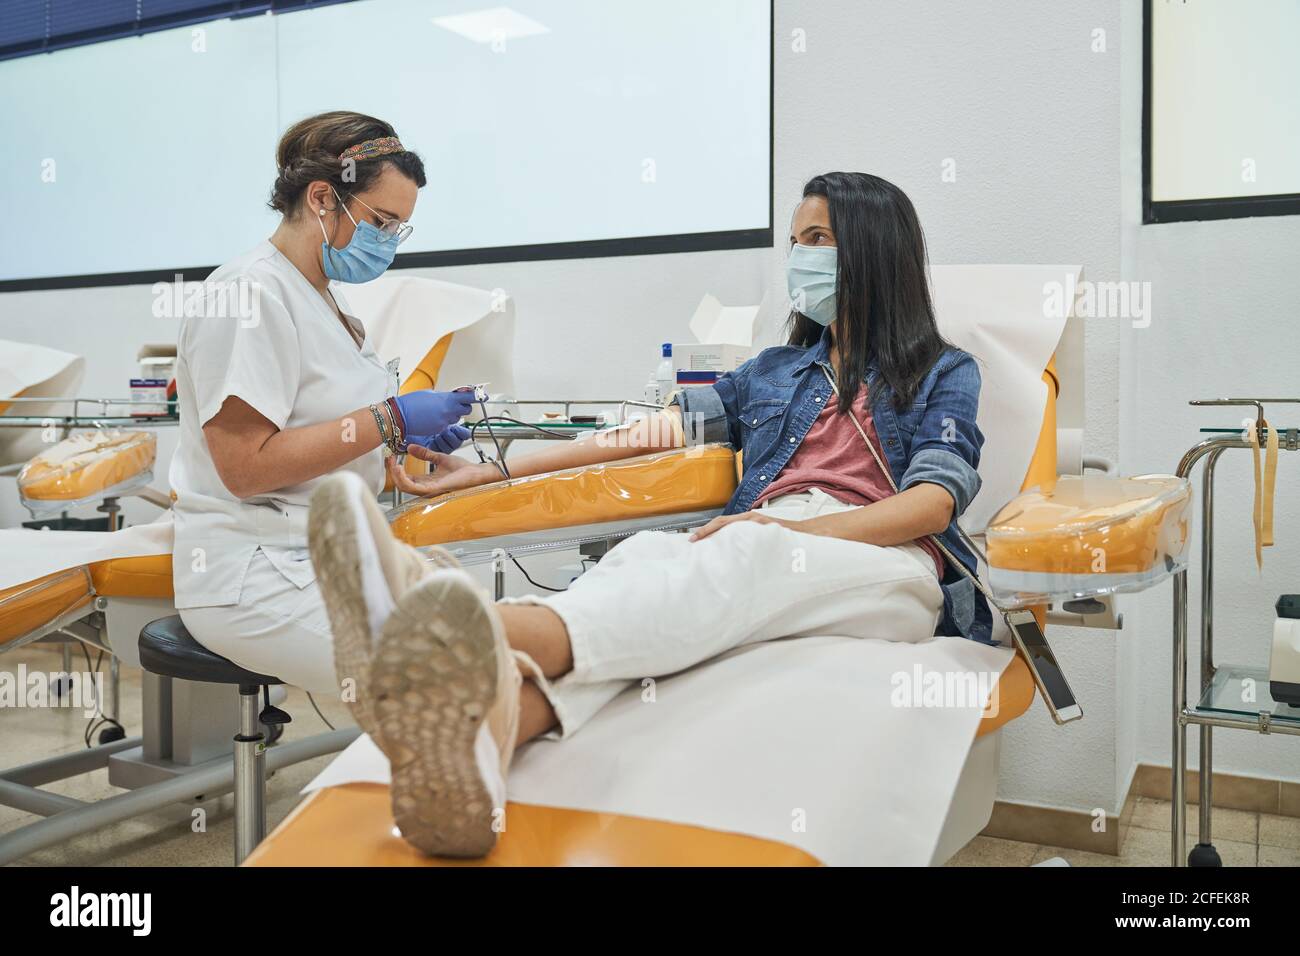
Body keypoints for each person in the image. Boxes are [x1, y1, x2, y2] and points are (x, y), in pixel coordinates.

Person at [308, 171, 988, 858]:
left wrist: (787, 531)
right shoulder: (774, 371)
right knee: (649, 560)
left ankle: (445, 627)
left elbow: (931, 505)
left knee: (744, 558)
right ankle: (482, 744)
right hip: (764, 539)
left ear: (873, 250)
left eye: (817, 240)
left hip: (884, 562)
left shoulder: (940, 370)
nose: (799, 258)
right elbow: (639, 435)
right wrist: (489, 470)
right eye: (794, 241)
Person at [171, 111, 475, 690]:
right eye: (381, 222)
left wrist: (404, 442)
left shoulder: (325, 303)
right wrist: (389, 418)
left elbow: (324, 438)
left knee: (487, 634)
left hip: (323, 552)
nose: (387, 242)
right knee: (447, 678)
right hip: (254, 573)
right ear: (321, 198)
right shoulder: (248, 294)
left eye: (397, 230)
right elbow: (245, 468)